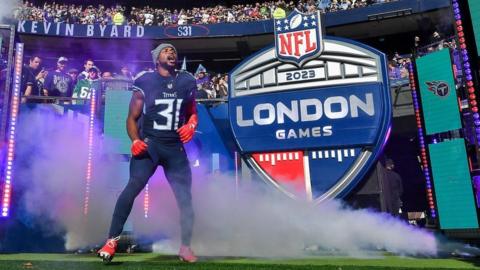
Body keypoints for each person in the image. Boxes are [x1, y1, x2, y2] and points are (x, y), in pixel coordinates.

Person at [97, 43, 198, 263]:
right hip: (150, 144)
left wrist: (191, 124)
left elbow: (192, 112)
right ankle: (111, 240)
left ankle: (185, 246)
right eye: (165, 50)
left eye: (173, 49)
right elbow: (131, 118)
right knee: (132, 187)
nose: (171, 52)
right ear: (156, 58)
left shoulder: (187, 81)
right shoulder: (145, 81)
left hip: (174, 148)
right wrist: (135, 140)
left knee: (185, 199)